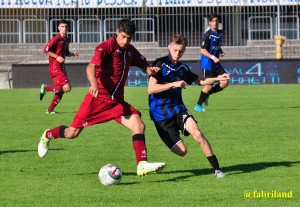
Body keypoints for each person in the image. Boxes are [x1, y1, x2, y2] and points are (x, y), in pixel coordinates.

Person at [38, 19, 166, 177]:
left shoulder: (130, 50)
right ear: (117, 32)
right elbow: (91, 66)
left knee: (138, 125)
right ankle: (48, 135)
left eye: (129, 38)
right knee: (72, 133)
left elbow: (142, 64)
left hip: (117, 102)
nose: (125, 41)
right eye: (123, 37)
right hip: (97, 98)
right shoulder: (106, 46)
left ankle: (142, 164)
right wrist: (94, 84)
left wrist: (149, 70)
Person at [148, 34, 230, 178]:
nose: (178, 54)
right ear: (169, 47)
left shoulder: (183, 68)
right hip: (160, 114)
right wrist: (173, 84)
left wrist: (219, 78)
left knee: (197, 133)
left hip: (178, 108)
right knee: (182, 152)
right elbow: (151, 89)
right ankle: (169, 137)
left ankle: (217, 169)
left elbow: (201, 82)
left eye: (181, 51)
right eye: (175, 50)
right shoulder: (160, 64)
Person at [40, 19, 79, 114]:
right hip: (55, 67)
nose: (64, 28)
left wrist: (72, 54)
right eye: (62, 26)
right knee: (67, 88)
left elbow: (64, 53)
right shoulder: (56, 38)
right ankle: (45, 88)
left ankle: (50, 110)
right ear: (58, 28)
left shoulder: (66, 39)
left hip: (62, 67)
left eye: (65, 27)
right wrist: (56, 57)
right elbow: (45, 50)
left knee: (62, 89)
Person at [194, 13, 229, 112]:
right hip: (207, 64)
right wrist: (213, 57)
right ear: (209, 23)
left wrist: (220, 51)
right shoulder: (207, 35)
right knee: (209, 85)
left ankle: (206, 95)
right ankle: (198, 105)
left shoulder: (220, 33)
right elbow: (202, 50)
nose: (215, 23)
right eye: (213, 21)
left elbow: (216, 45)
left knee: (225, 81)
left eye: (216, 21)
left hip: (216, 64)